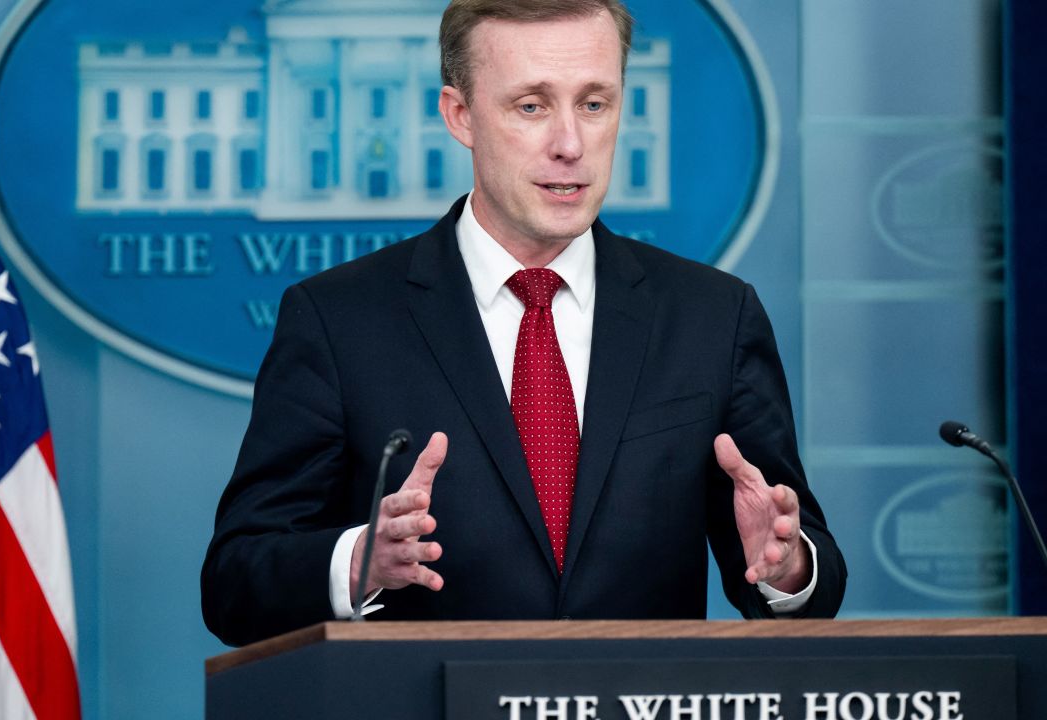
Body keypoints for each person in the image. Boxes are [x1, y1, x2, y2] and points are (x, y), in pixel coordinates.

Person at [202, 0, 846, 648]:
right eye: (532, 106)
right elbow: (234, 584)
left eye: (594, 104)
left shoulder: (713, 317)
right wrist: (360, 562)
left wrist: (788, 566)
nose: (570, 144)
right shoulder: (340, 321)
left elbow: (807, 573)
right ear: (460, 116)